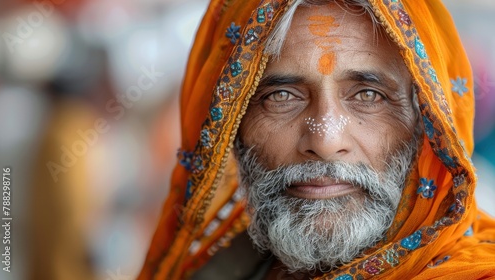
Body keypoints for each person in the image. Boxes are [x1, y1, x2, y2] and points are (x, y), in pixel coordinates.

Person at [138, 0, 495, 279]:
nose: (325, 142)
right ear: (230, 126)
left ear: (428, 125)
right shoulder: (210, 269)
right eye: (281, 96)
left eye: (368, 95)